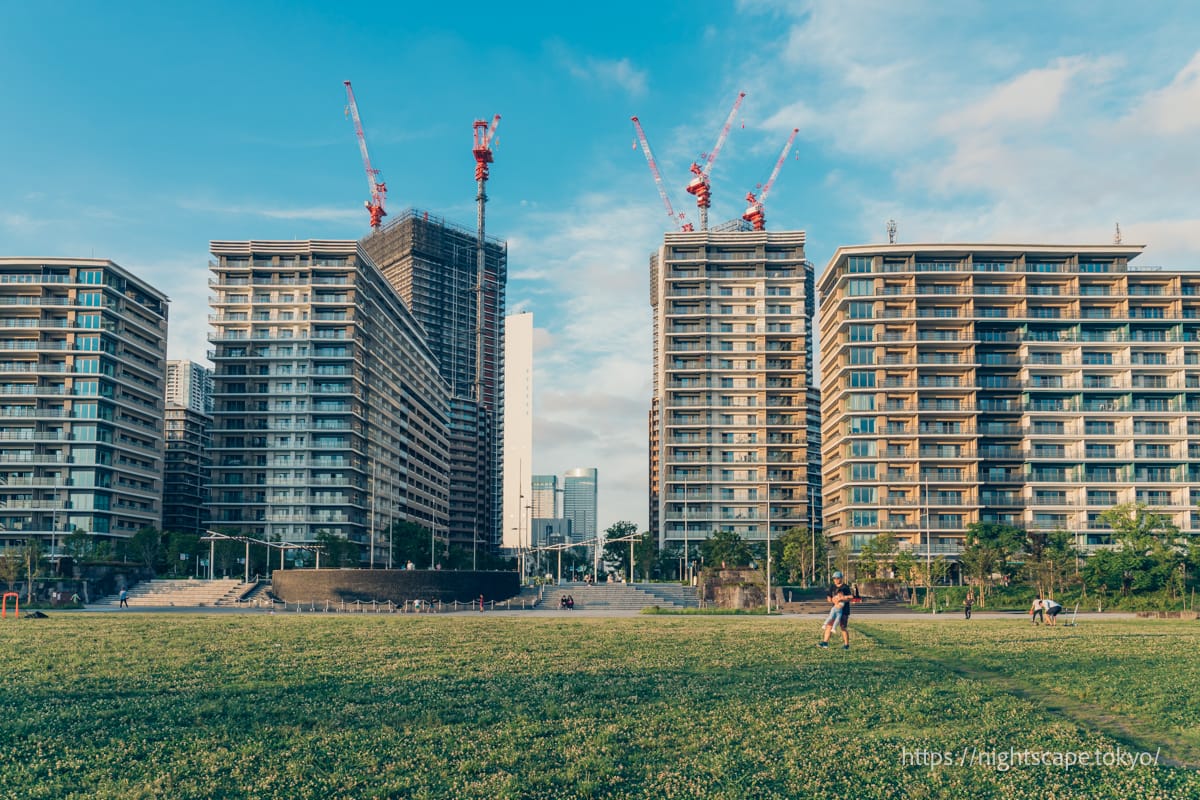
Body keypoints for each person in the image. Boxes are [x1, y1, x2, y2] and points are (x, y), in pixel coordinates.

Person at [819, 571, 853, 650]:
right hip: (834, 610)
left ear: (841, 578)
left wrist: (842, 599)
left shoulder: (845, 587)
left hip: (844, 610)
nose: (836, 580)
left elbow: (850, 598)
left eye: (837, 578)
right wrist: (833, 601)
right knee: (829, 625)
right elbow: (829, 598)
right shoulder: (832, 587)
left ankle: (846, 645)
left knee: (843, 627)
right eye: (834, 578)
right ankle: (825, 643)